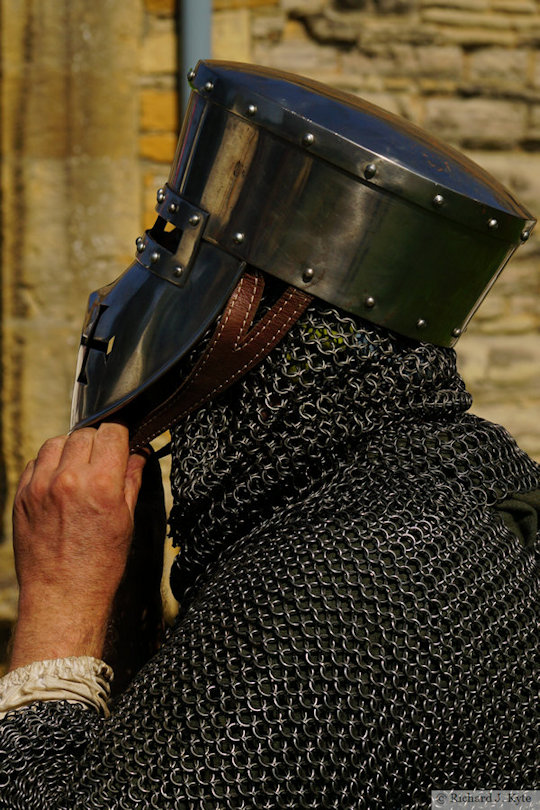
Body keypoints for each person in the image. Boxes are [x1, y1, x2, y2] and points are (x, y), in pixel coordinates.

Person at [0, 62, 538, 809]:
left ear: (262, 310)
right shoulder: (489, 494)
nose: (127, 287)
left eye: (172, 249)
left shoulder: (342, 589)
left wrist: (61, 608)